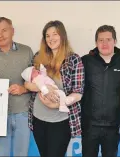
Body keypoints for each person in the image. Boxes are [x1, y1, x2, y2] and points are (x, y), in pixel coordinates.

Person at [25, 20, 84, 157]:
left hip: (60, 121)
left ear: (62, 36)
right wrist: (44, 88)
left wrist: (58, 103)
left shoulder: (74, 60)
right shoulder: (38, 57)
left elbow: (78, 93)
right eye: (47, 35)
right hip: (38, 119)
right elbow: (27, 84)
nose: (51, 38)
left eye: (55, 34)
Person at [0, 17, 33, 156]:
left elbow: (35, 82)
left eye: (4, 30)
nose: (0, 35)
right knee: (2, 154)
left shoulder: (26, 51)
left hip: (23, 112)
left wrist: (23, 89)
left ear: (12, 31)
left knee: (22, 154)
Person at [80, 25, 120, 157]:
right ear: (96, 42)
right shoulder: (85, 61)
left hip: (113, 125)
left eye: (108, 39)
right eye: (101, 40)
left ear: (115, 41)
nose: (104, 43)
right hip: (89, 125)